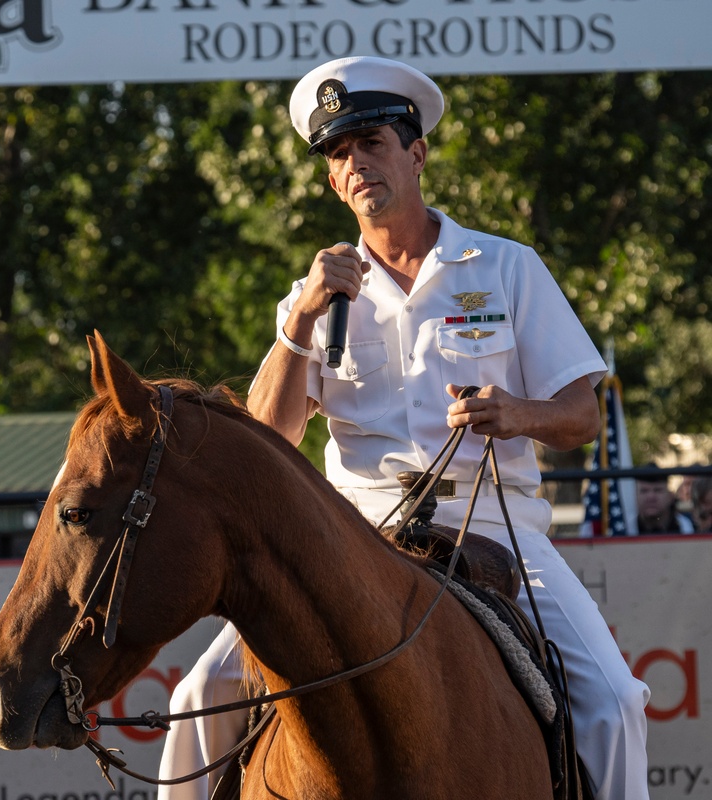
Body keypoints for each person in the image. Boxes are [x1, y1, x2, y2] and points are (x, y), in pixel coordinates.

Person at [158, 57, 650, 800]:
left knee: (614, 704)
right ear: (330, 181)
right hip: (348, 539)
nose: (356, 164)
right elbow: (267, 440)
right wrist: (299, 319)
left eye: (372, 143)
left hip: (493, 528)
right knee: (197, 699)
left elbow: (581, 415)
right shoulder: (314, 293)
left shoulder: (508, 267)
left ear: (416, 153)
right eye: (338, 154)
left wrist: (516, 414)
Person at [636, 465, 694, 534]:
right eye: (644, 491)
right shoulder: (624, 529)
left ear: (670, 496)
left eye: (657, 490)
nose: (651, 497)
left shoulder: (691, 526)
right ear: (635, 496)